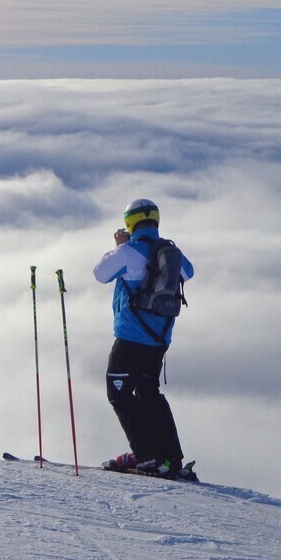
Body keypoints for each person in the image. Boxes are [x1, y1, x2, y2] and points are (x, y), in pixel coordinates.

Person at [93, 199, 194, 476]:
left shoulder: (128, 252)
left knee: (118, 393)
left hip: (130, 338)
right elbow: (189, 271)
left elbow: (100, 274)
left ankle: (146, 455)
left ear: (130, 223)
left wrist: (119, 246)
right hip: (159, 340)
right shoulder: (170, 252)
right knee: (149, 393)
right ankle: (170, 457)